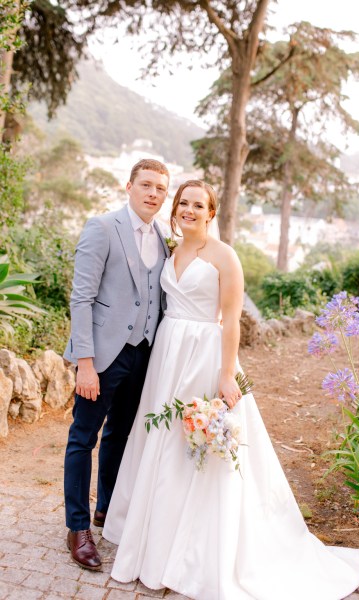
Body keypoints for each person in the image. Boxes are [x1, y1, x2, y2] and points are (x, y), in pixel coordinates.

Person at [102, 180, 359, 599]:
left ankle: (196, 552)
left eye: (198, 205)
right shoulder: (172, 252)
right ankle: (152, 537)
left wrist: (227, 375)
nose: (189, 210)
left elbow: (232, 321)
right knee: (163, 440)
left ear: (211, 213)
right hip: (168, 357)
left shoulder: (225, 257)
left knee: (200, 447)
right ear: (177, 210)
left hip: (206, 356)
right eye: (184, 203)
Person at [63, 158, 170, 571]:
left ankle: (106, 509)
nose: (153, 194)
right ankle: (77, 527)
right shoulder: (103, 227)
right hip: (104, 354)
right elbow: (82, 298)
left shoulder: (163, 236)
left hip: (143, 353)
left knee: (121, 435)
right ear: (129, 186)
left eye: (160, 188)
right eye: (146, 185)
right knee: (82, 437)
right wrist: (84, 363)